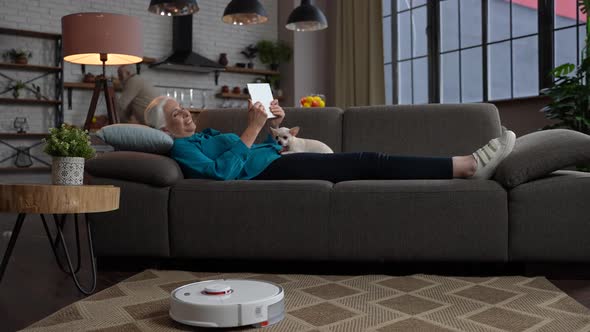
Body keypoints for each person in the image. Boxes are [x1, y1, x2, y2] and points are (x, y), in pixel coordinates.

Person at [144, 96, 516, 182]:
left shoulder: (209, 133)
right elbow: (223, 174)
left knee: (367, 161)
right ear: (164, 129)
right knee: (368, 161)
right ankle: (466, 165)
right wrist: (252, 128)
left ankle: (462, 165)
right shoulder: (180, 148)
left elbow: (252, 144)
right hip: (270, 172)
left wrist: (272, 123)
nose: (187, 114)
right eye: (177, 114)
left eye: (186, 109)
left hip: (277, 156)